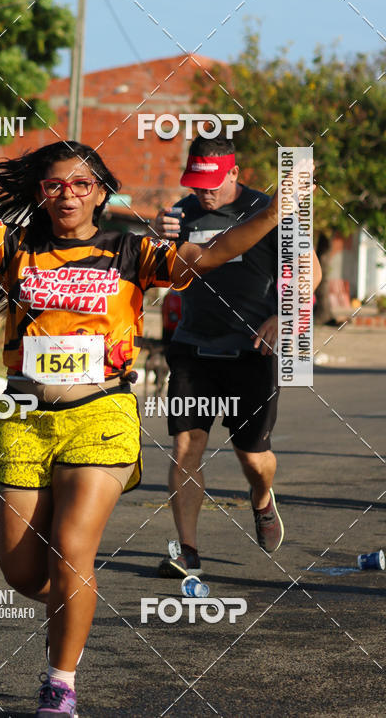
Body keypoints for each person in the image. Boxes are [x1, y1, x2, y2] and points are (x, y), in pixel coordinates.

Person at [0, 117, 304, 716]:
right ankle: (74, 601)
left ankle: (60, 682)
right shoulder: (12, 245)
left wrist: (281, 207)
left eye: (81, 183)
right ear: (41, 193)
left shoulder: (132, 250)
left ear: (101, 191)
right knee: (22, 571)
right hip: (23, 413)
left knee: (73, 549)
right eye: (55, 184)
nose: (68, 193)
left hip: (100, 413)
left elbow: (215, 252)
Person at [156, 135, 321, 579]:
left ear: (235, 173)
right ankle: (187, 551)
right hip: (193, 348)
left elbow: (312, 270)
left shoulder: (272, 210)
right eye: (196, 183)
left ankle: (263, 498)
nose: (204, 192)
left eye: (213, 183)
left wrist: (285, 316)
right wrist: (159, 237)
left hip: (252, 350)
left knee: (253, 458)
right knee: (186, 446)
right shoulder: (182, 213)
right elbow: (164, 267)